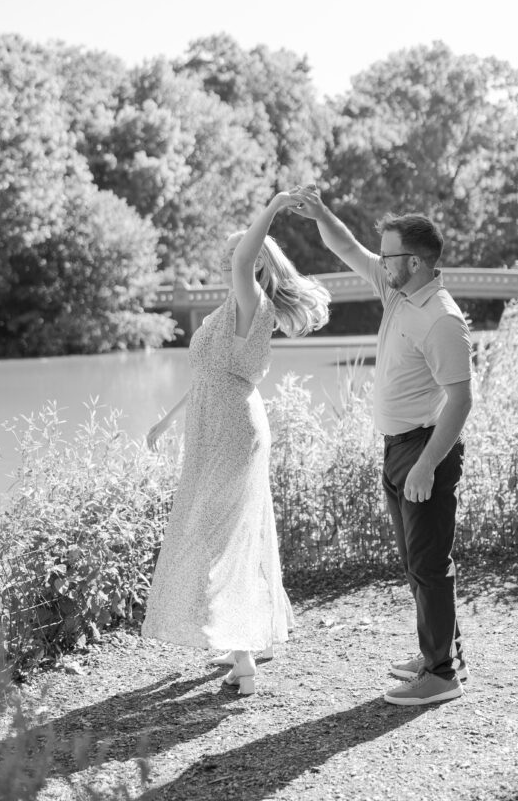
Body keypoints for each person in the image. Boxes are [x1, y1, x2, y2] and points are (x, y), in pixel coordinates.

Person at [142, 192, 330, 696]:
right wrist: (164, 422)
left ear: (253, 262)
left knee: (222, 533)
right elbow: (208, 375)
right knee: (222, 529)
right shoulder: (228, 310)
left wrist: (273, 205)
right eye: (228, 257)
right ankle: (247, 636)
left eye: (235, 256)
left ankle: (244, 659)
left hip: (232, 428)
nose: (228, 262)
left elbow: (248, 256)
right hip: (212, 421)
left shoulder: (252, 302)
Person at [291, 185, 472, 706]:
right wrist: (322, 213)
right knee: (418, 563)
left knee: (430, 563)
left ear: (414, 261)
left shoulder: (441, 318)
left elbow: (460, 402)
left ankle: (441, 675)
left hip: (423, 449)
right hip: (397, 447)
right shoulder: (397, 289)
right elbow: (346, 247)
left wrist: (426, 466)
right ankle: (443, 651)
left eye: (388, 254)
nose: (379, 261)